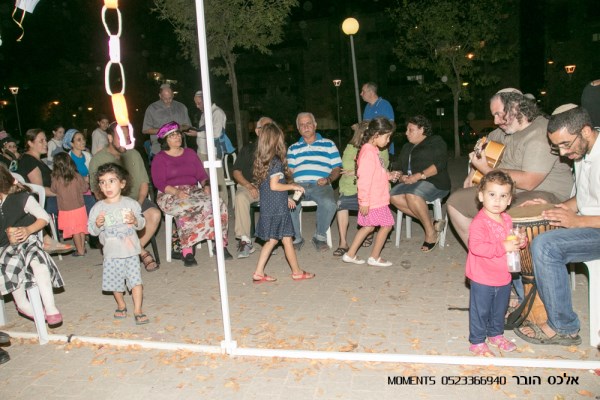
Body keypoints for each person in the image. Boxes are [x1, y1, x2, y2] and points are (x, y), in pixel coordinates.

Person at [515, 104, 599, 346]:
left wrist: (578, 221)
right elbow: (586, 198)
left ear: (584, 131)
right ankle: (528, 302)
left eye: (565, 144)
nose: (562, 153)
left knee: (546, 245)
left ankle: (564, 327)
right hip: (588, 224)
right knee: (523, 230)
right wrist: (560, 207)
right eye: (557, 147)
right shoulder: (582, 152)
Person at [447, 88, 574, 246]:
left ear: (515, 107)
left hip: (543, 193)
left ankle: (514, 261)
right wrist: (473, 171)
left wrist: (486, 169)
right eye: (494, 115)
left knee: (507, 212)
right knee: (454, 202)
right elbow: (483, 145)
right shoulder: (503, 131)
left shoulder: (540, 134)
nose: (496, 121)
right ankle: (482, 255)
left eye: (499, 114)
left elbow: (529, 181)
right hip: (505, 191)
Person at [151, 121, 232, 266]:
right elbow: (159, 183)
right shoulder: (160, 158)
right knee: (185, 207)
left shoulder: (190, 153)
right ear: (165, 140)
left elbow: (201, 175)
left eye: (178, 134)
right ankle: (187, 251)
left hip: (192, 190)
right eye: (172, 135)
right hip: (169, 193)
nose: (177, 137)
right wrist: (176, 192)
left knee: (217, 202)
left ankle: (219, 244)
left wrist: (206, 185)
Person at [466, 170, 525, 356]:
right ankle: (476, 341)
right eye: (492, 195)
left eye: (503, 196)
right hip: (482, 276)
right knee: (481, 310)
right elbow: (477, 247)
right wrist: (504, 246)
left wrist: (519, 242)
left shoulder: (507, 219)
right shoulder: (479, 223)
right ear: (481, 196)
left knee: (500, 309)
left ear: (509, 200)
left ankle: (496, 334)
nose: (497, 201)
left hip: (503, 275)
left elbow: (510, 241)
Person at [89, 122, 161, 272]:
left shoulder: (133, 154)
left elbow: (143, 183)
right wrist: (112, 205)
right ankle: (142, 252)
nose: (126, 142)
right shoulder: (98, 159)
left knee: (154, 214)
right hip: (111, 203)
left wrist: (138, 204)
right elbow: (96, 191)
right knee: (118, 222)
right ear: (109, 137)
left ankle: (131, 252)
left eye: (127, 138)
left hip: (135, 200)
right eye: (121, 138)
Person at [0, 164, 64, 326]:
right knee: (20, 298)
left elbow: (44, 217)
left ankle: (50, 308)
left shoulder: (19, 197)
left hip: (28, 242)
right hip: (6, 251)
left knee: (39, 264)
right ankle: (33, 311)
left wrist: (28, 230)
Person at [251, 122, 315, 283]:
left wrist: (285, 197)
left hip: (270, 206)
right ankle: (297, 272)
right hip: (277, 209)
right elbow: (274, 185)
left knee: (274, 240)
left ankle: (259, 272)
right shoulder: (276, 161)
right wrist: (292, 186)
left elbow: (268, 187)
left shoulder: (263, 161)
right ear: (275, 140)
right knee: (285, 239)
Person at [88, 163, 149, 325]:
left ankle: (138, 309)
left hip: (130, 251)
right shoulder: (97, 208)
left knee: (136, 281)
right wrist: (98, 224)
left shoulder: (131, 204)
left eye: (111, 181)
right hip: (112, 253)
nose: (106, 185)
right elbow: (92, 231)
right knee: (116, 283)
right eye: (102, 182)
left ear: (122, 183)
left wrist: (135, 220)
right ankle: (121, 304)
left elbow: (142, 224)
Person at [389, 115, 451, 252]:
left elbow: (440, 164)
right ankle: (432, 224)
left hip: (434, 182)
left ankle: (430, 234)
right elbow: (398, 167)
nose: (406, 133)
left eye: (410, 130)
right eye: (407, 129)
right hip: (411, 183)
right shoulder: (406, 147)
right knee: (392, 196)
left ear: (421, 129)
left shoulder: (435, 141)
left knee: (412, 195)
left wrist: (419, 176)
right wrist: (401, 177)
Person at [341, 117, 397, 267]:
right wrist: (364, 201)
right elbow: (364, 178)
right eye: (387, 136)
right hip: (374, 199)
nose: (388, 140)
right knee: (386, 226)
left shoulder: (373, 150)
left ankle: (350, 254)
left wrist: (388, 175)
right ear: (376, 134)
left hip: (376, 198)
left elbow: (376, 173)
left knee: (369, 227)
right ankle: (374, 257)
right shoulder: (368, 152)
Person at [287, 112, 342, 252]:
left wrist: (328, 179)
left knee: (330, 204)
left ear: (315, 125)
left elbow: (336, 168)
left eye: (308, 123)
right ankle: (297, 238)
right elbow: (289, 172)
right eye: (302, 125)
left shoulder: (329, 144)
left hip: (321, 184)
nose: (305, 127)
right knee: (288, 204)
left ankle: (320, 237)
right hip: (299, 186)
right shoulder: (293, 148)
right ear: (298, 128)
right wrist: (292, 184)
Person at [16, 128, 73, 253]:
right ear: (30, 143)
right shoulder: (29, 161)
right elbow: (39, 190)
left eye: (45, 140)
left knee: (80, 197)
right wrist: (62, 193)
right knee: (77, 200)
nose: (45, 143)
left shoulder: (37, 160)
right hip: (41, 202)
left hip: (48, 198)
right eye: (41, 141)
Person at [232, 116, 272, 258]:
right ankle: (245, 240)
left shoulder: (277, 149)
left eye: (271, 128)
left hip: (270, 186)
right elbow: (236, 171)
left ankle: (270, 238)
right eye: (265, 128)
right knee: (240, 197)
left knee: (275, 195)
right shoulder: (248, 149)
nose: (269, 131)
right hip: (249, 186)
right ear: (257, 131)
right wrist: (249, 186)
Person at [185, 90, 230, 207]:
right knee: (206, 181)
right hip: (202, 152)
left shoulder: (217, 113)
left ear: (206, 100)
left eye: (199, 103)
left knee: (218, 181)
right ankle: (211, 207)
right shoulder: (204, 113)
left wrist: (197, 134)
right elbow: (204, 131)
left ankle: (223, 207)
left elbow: (215, 133)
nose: (197, 106)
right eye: (196, 103)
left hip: (213, 153)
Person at [51, 153, 89, 257]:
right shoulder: (77, 176)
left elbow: (53, 190)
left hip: (66, 209)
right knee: (81, 228)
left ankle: (80, 250)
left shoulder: (56, 179)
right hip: (80, 206)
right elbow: (85, 188)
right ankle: (83, 248)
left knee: (74, 230)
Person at [142, 83, 192, 158]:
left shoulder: (181, 107)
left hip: (180, 149)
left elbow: (188, 126)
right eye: (165, 99)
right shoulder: (152, 109)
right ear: (160, 96)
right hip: (159, 149)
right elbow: (145, 130)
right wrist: (164, 130)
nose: (168, 101)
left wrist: (177, 128)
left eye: (170, 98)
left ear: (173, 95)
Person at [63, 128, 95, 213]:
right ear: (71, 143)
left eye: (83, 139)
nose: (83, 142)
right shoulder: (67, 159)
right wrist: (83, 179)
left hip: (89, 190)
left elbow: (94, 172)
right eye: (79, 140)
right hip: (75, 193)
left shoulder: (88, 155)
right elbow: (66, 179)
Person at [361, 82, 395, 155]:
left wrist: (386, 145)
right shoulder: (367, 107)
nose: (361, 94)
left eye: (363, 91)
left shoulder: (384, 105)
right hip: (370, 147)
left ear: (371, 92)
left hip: (382, 149)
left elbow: (392, 127)